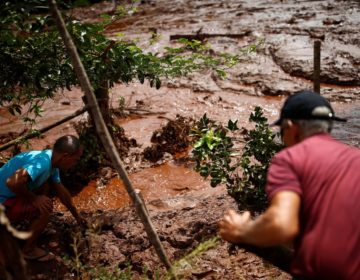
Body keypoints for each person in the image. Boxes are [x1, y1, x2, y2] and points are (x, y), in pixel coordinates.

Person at [218, 90, 360, 280]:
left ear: (290, 127)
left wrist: (241, 230)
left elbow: (281, 225)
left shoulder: (291, 158)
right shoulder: (356, 158)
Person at [0, 135, 86, 261]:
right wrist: (34, 199)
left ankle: (26, 223)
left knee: (44, 186)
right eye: (75, 159)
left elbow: (62, 193)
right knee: (45, 207)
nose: (75, 163)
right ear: (65, 157)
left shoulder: (51, 161)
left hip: (7, 196)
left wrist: (77, 216)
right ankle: (28, 250)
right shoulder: (42, 163)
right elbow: (12, 182)